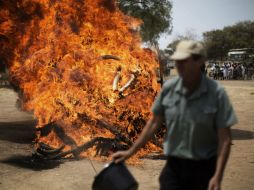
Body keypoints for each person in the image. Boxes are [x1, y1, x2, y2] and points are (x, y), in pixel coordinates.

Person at [112, 40, 238, 190]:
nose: (179, 65)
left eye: (184, 61)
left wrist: (218, 176)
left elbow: (225, 139)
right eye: (177, 61)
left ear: (199, 62)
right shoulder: (169, 89)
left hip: (203, 169)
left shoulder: (217, 94)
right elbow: (153, 123)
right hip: (174, 167)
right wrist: (130, 152)